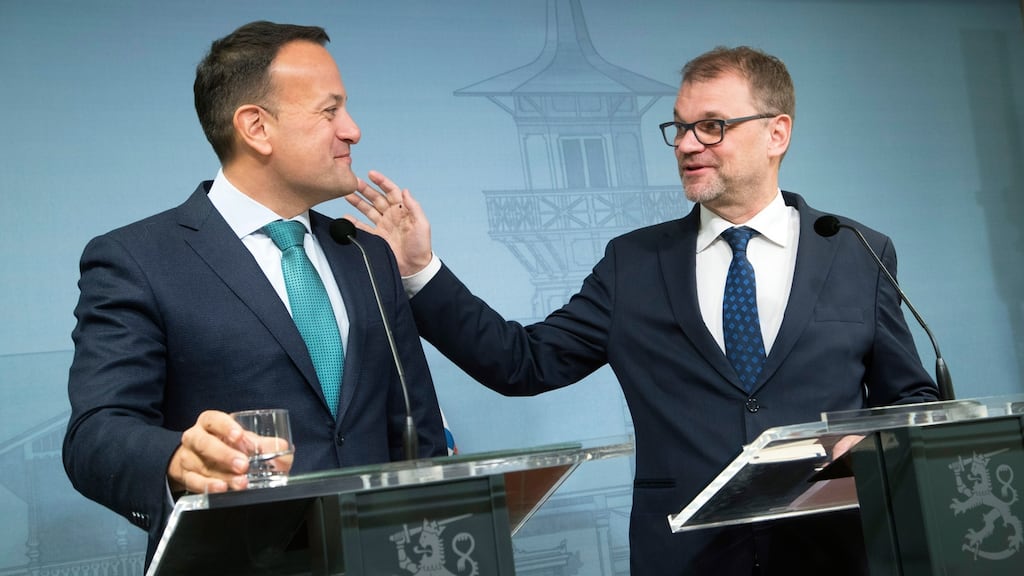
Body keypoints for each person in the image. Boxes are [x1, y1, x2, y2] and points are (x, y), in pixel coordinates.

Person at [346, 46, 939, 575]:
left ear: (777, 133)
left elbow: (912, 401)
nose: (686, 145)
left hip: (833, 552)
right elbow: (520, 363)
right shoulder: (634, 263)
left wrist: (868, 445)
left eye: (712, 127)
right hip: (685, 554)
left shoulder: (856, 250)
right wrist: (418, 270)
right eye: (679, 128)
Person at [62, 21, 446, 567]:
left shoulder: (365, 254)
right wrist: (177, 457)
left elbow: (417, 427)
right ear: (256, 127)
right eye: (329, 111)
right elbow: (94, 436)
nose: (353, 130)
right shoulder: (137, 259)